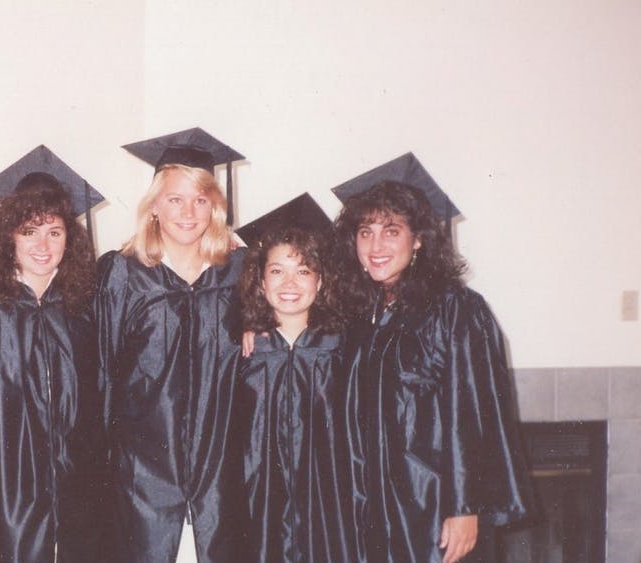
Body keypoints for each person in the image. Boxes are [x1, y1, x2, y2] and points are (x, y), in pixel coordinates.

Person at [329, 180, 533, 563]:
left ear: (418, 239)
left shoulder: (455, 309)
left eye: (391, 232)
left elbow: (471, 412)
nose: (376, 247)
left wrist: (465, 506)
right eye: (365, 232)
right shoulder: (357, 313)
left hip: (432, 503)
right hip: (370, 502)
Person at [96, 139, 246, 562]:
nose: (187, 212)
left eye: (200, 200)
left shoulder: (239, 272)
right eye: (175, 199)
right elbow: (104, 373)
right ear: (154, 206)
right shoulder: (122, 272)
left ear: (215, 208)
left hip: (219, 465)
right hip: (143, 472)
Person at [0, 171, 108, 562]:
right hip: (5, 479)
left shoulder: (85, 303)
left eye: (54, 232)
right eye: (30, 231)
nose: (43, 245)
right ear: (8, 236)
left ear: (70, 239)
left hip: (76, 478)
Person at [231, 226, 356, 562]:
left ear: (321, 281)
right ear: (260, 282)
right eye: (277, 271)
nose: (289, 284)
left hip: (326, 505)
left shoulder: (344, 350)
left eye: (303, 271)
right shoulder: (242, 352)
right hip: (257, 502)